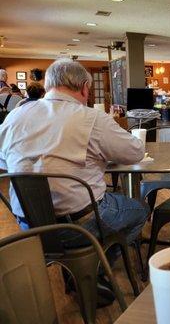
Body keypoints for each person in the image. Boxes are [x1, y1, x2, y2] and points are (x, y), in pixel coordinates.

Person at [0, 59, 149, 300]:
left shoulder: (17, 115)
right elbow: (135, 152)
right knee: (139, 209)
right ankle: (94, 268)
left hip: (28, 225)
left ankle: (80, 268)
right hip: (77, 225)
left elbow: (4, 162)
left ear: (49, 86)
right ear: (83, 88)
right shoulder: (89, 118)